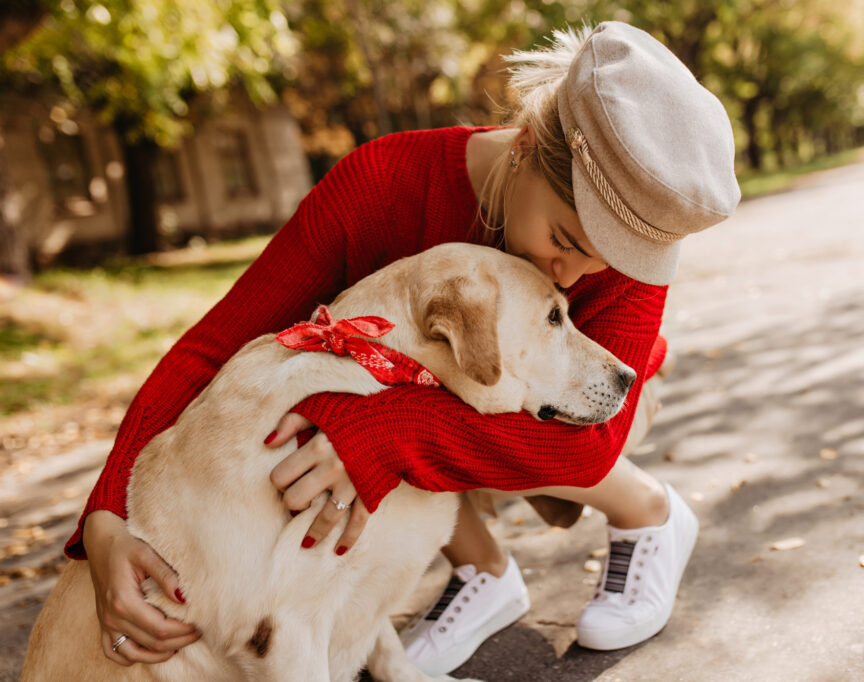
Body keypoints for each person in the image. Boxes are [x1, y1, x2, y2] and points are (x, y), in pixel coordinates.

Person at [68, 21, 740, 674]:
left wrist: (380, 434)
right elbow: (213, 349)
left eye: (608, 260)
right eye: (565, 240)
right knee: (350, 395)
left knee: (391, 415)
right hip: (428, 389)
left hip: (589, 407)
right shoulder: (381, 184)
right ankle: (485, 572)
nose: (578, 275)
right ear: (526, 145)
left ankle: (647, 512)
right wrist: (105, 513)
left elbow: (587, 446)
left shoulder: (629, 225)